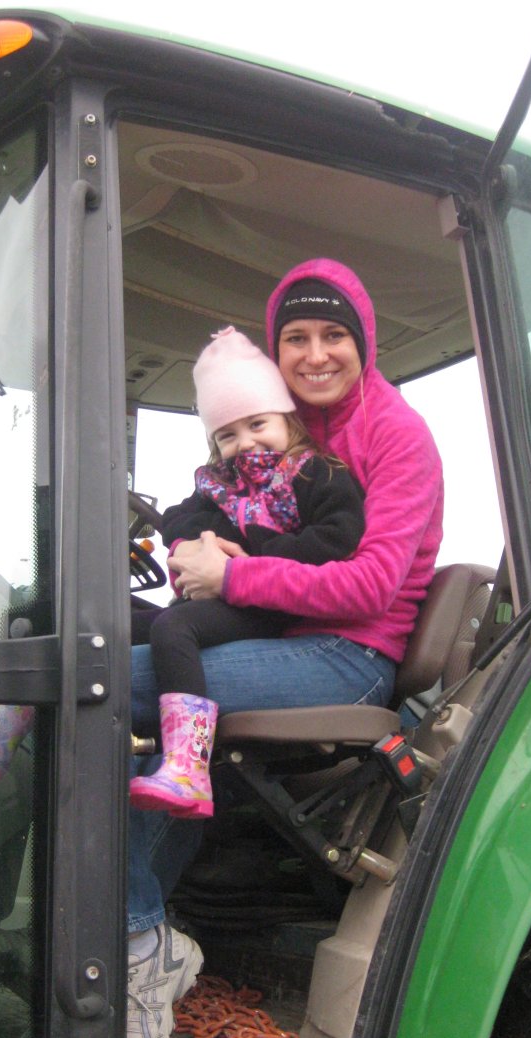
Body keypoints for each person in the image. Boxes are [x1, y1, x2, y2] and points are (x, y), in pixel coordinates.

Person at [126, 258, 444, 1038]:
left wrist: (232, 576)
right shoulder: (285, 428)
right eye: (295, 338)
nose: (314, 354)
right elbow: (230, 514)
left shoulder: (394, 436)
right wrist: (196, 548)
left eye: (333, 334)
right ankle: (137, 931)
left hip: (348, 655)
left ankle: (135, 943)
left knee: (104, 685)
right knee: (113, 665)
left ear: (363, 341)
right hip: (277, 638)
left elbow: (368, 583)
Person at [129, 325, 365, 820]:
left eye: (257, 424)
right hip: (220, 600)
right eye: (227, 435)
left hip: (270, 607)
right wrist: (197, 544)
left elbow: (336, 539)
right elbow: (178, 516)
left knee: (174, 627)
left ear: (286, 418)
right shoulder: (219, 482)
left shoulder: (314, 473)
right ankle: (6, 724)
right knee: (114, 621)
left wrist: (248, 555)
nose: (245, 442)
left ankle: (188, 766)